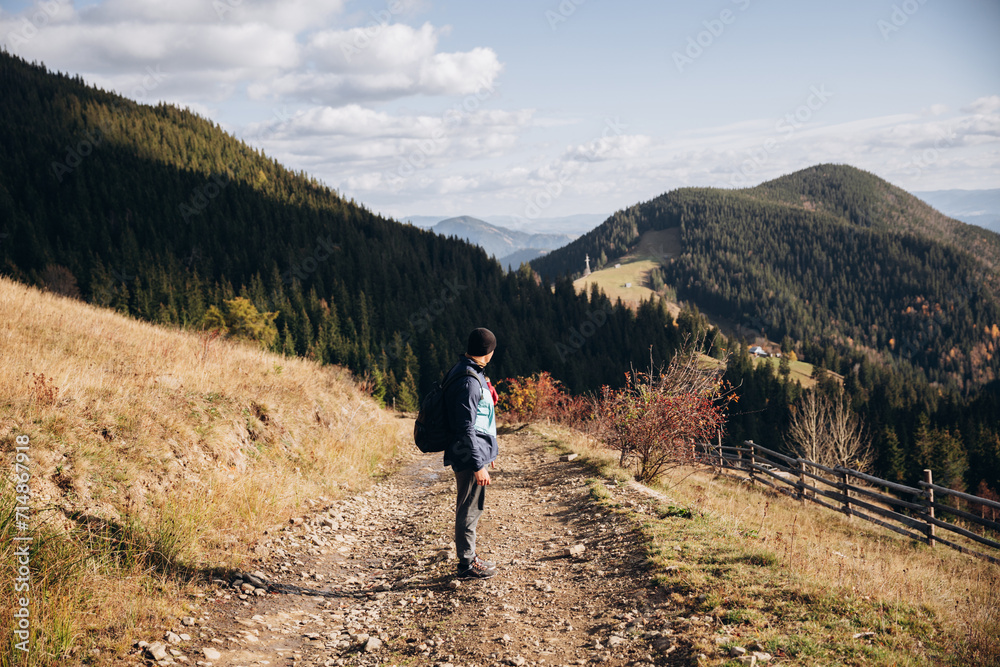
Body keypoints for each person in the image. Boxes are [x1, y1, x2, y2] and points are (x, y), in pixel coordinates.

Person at [443, 327, 499, 579]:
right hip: (467, 455)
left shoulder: (468, 371)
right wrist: (478, 464)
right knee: (469, 507)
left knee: (471, 505)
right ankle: (466, 565)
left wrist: (487, 454)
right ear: (487, 352)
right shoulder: (468, 379)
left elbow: (481, 420)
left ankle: (469, 558)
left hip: (472, 452)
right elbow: (465, 427)